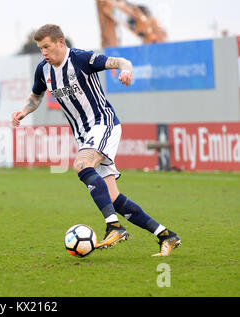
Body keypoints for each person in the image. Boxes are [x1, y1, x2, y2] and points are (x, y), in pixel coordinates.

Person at [11, 24, 180, 257]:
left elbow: (120, 61)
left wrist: (126, 71)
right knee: (113, 197)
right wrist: (23, 111)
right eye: (41, 48)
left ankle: (114, 227)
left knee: (81, 165)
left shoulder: (81, 59)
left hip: (103, 123)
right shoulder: (44, 70)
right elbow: (36, 95)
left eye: (47, 47)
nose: (44, 53)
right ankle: (166, 235)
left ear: (61, 42)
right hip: (83, 135)